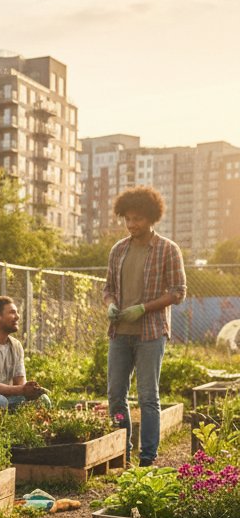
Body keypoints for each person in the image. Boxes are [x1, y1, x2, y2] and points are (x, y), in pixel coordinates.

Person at [103, 186, 186, 466]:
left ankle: (147, 458)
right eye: (127, 219)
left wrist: (143, 308)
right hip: (120, 334)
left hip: (150, 334)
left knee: (148, 396)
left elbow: (178, 292)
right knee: (116, 395)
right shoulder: (118, 250)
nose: (131, 224)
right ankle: (121, 453)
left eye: (136, 218)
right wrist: (112, 305)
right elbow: (108, 289)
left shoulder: (167, 249)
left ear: (151, 217)